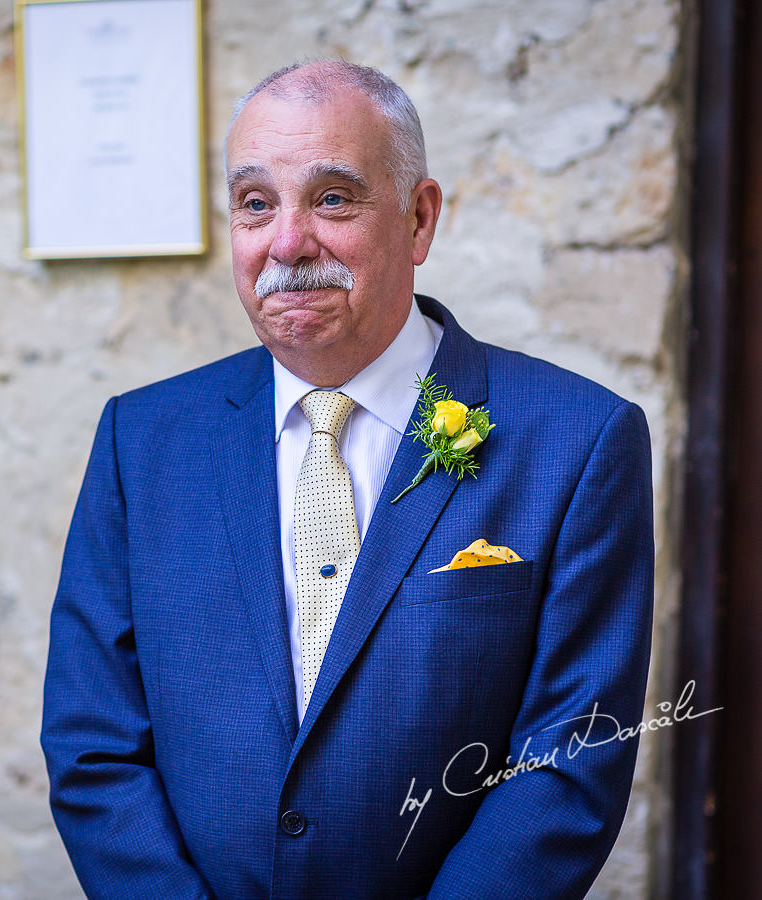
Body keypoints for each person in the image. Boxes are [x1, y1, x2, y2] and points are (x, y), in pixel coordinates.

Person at [40, 60, 654, 899]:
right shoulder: (140, 440)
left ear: (419, 218)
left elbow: (571, 758)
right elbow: (92, 742)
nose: (286, 243)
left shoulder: (578, 441)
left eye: (332, 198)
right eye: (256, 204)